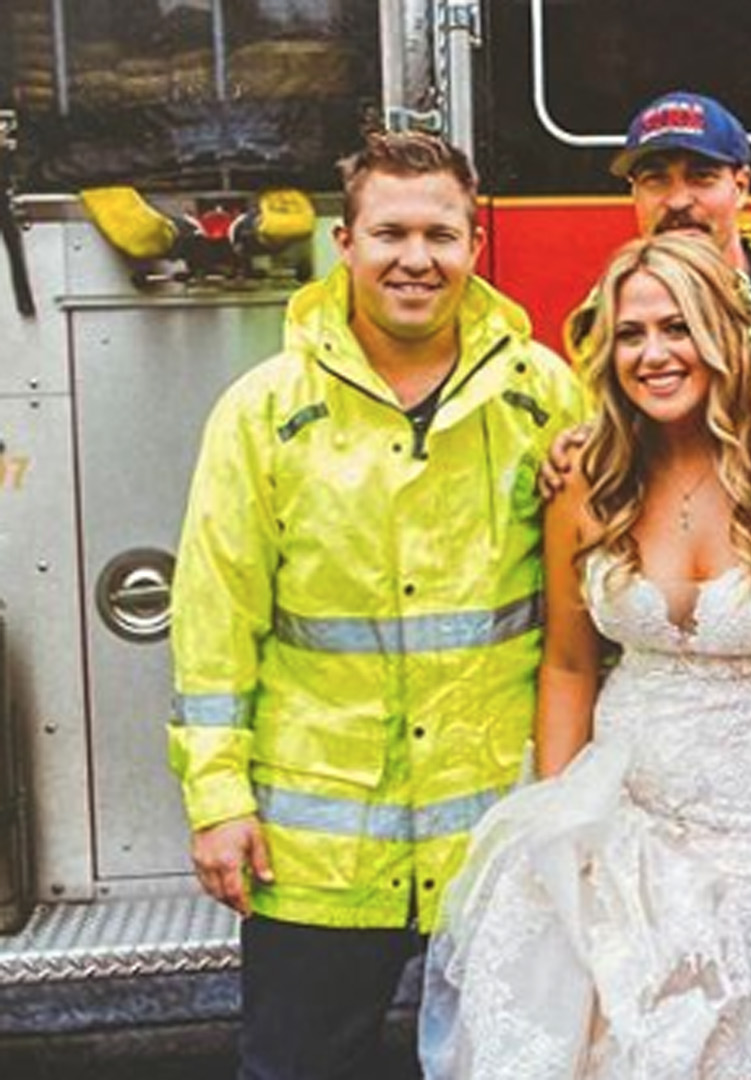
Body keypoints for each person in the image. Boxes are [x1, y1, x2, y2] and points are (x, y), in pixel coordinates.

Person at [168, 130, 585, 1079]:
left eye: (441, 234)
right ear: (343, 245)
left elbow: (589, 611)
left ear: (475, 247)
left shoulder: (546, 395)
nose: (415, 258)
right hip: (318, 858)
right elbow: (215, 620)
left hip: (492, 836)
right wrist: (218, 800)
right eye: (389, 232)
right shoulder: (262, 411)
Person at [419, 232, 751, 1079]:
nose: (654, 354)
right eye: (630, 334)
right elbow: (570, 666)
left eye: (677, 327)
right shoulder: (590, 476)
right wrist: (556, 822)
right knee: (616, 1037)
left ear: (728, 330)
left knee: (728, 1022)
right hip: (621, 801)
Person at [565, 90, 751, 375]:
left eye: (701, 177)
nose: (678, 201)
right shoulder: (602, 323)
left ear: (741, 186)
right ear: (634, 194)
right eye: (656, 180)